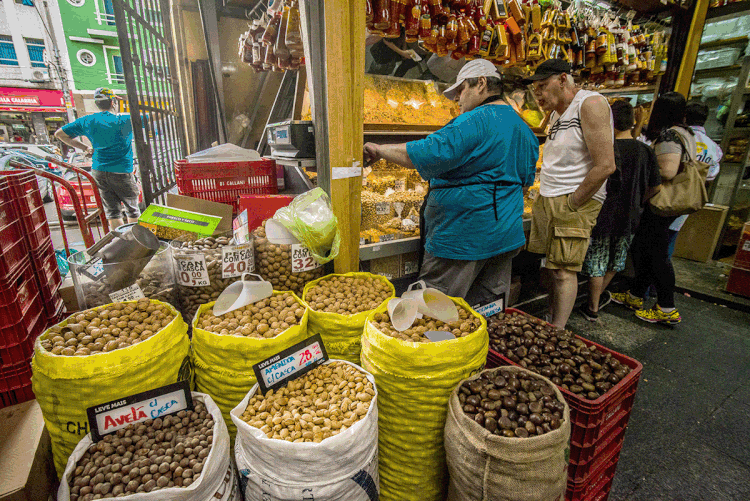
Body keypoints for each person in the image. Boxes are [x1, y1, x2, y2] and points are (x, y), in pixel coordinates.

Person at [363, 59, 539, 306]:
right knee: (487, 307)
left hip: (463, 239)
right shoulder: (525, 130)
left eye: (460, 90)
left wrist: (379, 150)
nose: (457, 99)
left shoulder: (473, 121)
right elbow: (524, 185)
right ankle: (479, 344)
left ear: (481, 84)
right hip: (505, 236)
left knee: (437, 309)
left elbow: (426, 153)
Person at [523, 59, 616, 328]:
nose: (537, 94)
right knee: (552, 267)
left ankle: (558, 331)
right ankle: (552, 319)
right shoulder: (555, 114)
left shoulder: (591, 104)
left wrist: (574, 202)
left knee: (564, 271)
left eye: (542, 86)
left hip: (572, 199)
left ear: (563, 79)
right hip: (550, 196)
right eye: (534, 89)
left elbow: (606, 165)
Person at [611, 92, 697, 325]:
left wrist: (645, 160)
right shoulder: (686, 133)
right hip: (666, 204)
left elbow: (668, 171)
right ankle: (636, 295)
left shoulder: (670, 134)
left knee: (657, 254)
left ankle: (666, 307)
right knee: (645, 249)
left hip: (661, 202)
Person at [578, 100, 661, 321]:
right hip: (631, 215)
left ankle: (592, 306)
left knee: (597, 260)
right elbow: (656, 186)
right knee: (616, 261)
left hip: (603, 214)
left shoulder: (605, 150)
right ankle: (596, 300)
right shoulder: (646, 151)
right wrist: (638, 201)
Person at [55, 87, 139, 229]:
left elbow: (59, 134)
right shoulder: (123, 120)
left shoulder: (87, 121)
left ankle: (120, 242)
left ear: (97, 104)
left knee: (113, 212)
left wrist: (85, 148)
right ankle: (137, 242)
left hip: (99, 171)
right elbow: (155, 116)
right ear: (113, 102)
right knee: (132, 209)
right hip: (121, 171)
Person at [667, 101, 723, 257]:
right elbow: (711, 174)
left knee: (655, 240)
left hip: (668, 192)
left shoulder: (677, 136)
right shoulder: (713, 147)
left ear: (684, 117)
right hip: (690, 196)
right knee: (671, 239)